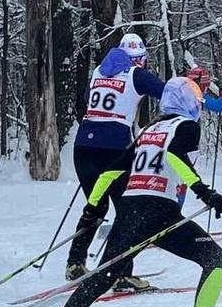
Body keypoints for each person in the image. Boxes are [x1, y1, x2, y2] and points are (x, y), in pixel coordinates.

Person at [34, 76, 222, 307]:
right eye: (196, 97)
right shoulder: (186, 127)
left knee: (103, 276)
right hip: (160, 212)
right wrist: (204, 192)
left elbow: (110, 173)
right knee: (215, 259)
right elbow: (175, 156)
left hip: (128, 211)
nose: (199, 102)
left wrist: (91, 208)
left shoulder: (149, 130)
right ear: (189, 102)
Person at [64, 33, 164, 289]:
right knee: (128, 212)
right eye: (142, 59)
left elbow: (88, 99)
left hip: (83, 146)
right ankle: (120, 273)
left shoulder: (99, 70)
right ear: (138, 59)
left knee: (96, 206)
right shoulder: (136, 74)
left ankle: (75, 262)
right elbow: (167, 92)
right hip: (114, 149)